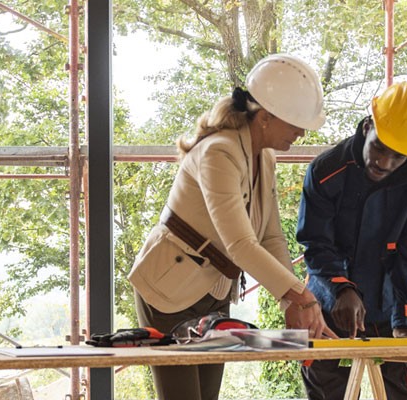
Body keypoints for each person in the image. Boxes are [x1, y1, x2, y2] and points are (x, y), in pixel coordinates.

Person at [128, 53, 338, 400]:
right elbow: (241, 244)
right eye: (295, 122)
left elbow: (270, 236)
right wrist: (303, 297)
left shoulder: (264, 156)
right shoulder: (219, 153)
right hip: (168, 289)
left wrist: (292, 306)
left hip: (212, 293)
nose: (301, 133)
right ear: (267, 117)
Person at [296, 81, 407, 400]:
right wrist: (341, 288)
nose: (385, 162)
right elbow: (316, 244)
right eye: (380, 147)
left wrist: (403, 314)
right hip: (329, 309)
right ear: (368, 126)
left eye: (399, 156)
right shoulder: (326, 171)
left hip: (389, 305)